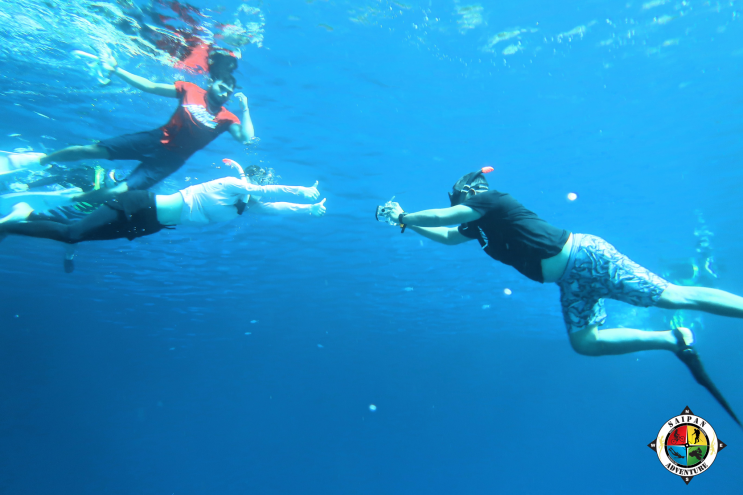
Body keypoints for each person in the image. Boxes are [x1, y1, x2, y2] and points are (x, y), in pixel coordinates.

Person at [376, 168, 742, 425]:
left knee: (672, 297)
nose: (461, 204)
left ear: (469, 194)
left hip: (588, 258)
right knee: (585, 342)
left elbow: (444, 217)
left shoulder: (492, 199)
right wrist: (406, 223)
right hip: (570, 282)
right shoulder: (476, 227)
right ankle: (671, 340)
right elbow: (447, 235)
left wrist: (406, 215)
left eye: (460, 198)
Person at [2, 51, 254, 206]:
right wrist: (116, 70)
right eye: (223, 87)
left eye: (230, 92)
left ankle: (63, 200)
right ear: (213, 83)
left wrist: (245, 109)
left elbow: (246, 139)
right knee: (90, 150)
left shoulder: (227, 117)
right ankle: (37, 161)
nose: (225, 93)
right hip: (153, 139)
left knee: (118, 190)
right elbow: (148, 86)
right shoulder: (191, 89)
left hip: (170, 160)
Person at [0, 160, 325, 250]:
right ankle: (14, 221)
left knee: (76, 237)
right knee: (72, 232)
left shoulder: (245, 205)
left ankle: (27, 216)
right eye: (256, 188)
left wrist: (307, 210)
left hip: (148, 225)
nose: (256, 195)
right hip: (138, 204)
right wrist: (303, 190)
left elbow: (275, 206)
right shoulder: (232, 185)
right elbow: (271, 191)